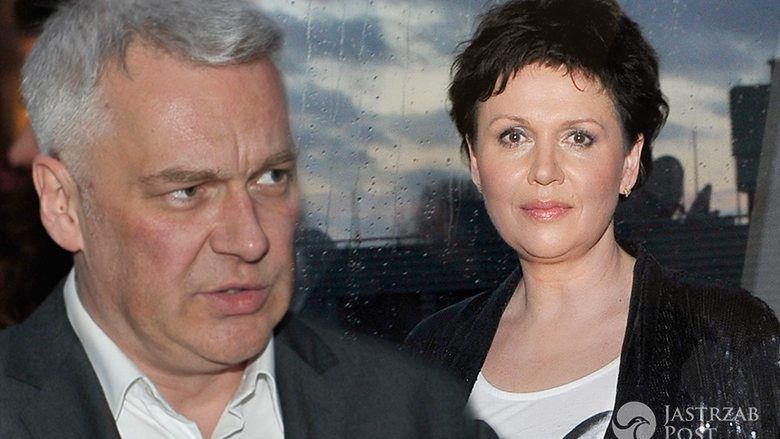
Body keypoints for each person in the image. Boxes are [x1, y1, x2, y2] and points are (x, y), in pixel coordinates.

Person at [0, 1, 489, 438]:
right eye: (187, 191)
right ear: (63, 204)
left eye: (271, 177)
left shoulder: (417, 415)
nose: (251, 240)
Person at [405, 0, 780, 437]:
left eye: (578, 137)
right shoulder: (428, 355)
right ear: (475, 161)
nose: (544, 171)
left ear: (629, 161)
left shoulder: (728, 339)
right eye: (514, 136)